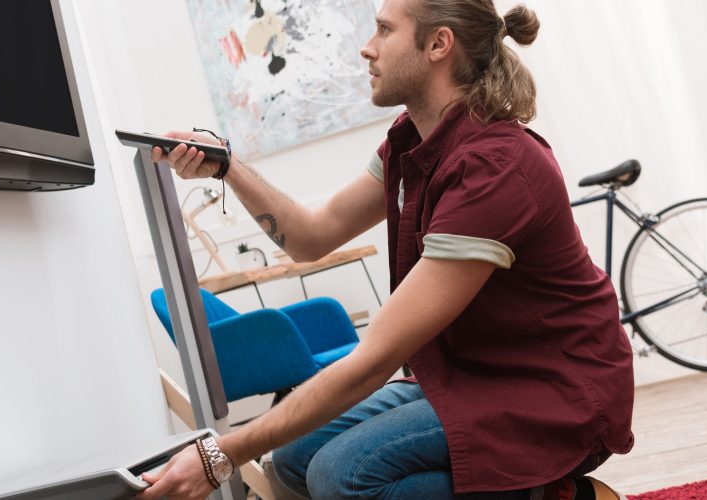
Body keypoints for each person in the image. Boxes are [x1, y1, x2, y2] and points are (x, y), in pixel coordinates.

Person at [137, 0, 634, 498]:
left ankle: (561, 495)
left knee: (341, 476)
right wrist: (229, 166)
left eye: (383, 30)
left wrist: (219, 455)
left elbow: (375, 359)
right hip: (466, 378)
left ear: (439, 44)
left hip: (554, 392)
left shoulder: (496, 167)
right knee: (292, 460)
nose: (366, 47)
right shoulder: (408, 139)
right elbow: (313, 235)